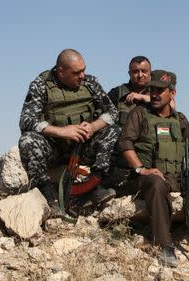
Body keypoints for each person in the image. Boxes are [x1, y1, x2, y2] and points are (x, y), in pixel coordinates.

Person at [118, 70, 189, 268]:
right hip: (151, 177)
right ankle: (165, 245)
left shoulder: (181, 119)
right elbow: (125, 144)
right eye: (152, 89)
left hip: (180, 176)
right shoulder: (139, 114)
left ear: (172, 93)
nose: (154, 94)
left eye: (160, 90)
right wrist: (141, 169)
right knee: (155, 183)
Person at [18, 49, 119, 213]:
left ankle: (95, 186)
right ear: (61, 71)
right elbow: (26, 121)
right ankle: (48, 196)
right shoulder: (41, 85)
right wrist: (62, 131)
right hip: (55, 149)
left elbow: (113, 112)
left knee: (113, 130)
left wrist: (93, 127)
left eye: (84, 70)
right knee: (27, 141)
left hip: (84, 147)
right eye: (76, 72)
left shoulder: (90, 83)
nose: (82, 76)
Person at [107, 56, 151, 126]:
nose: (140, 75)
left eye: (144, 71)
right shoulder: (117, 93)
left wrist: (143, 97)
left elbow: (169, 108)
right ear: (129, 73)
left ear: (150, 73)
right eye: (135, 72)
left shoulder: (158, 92)